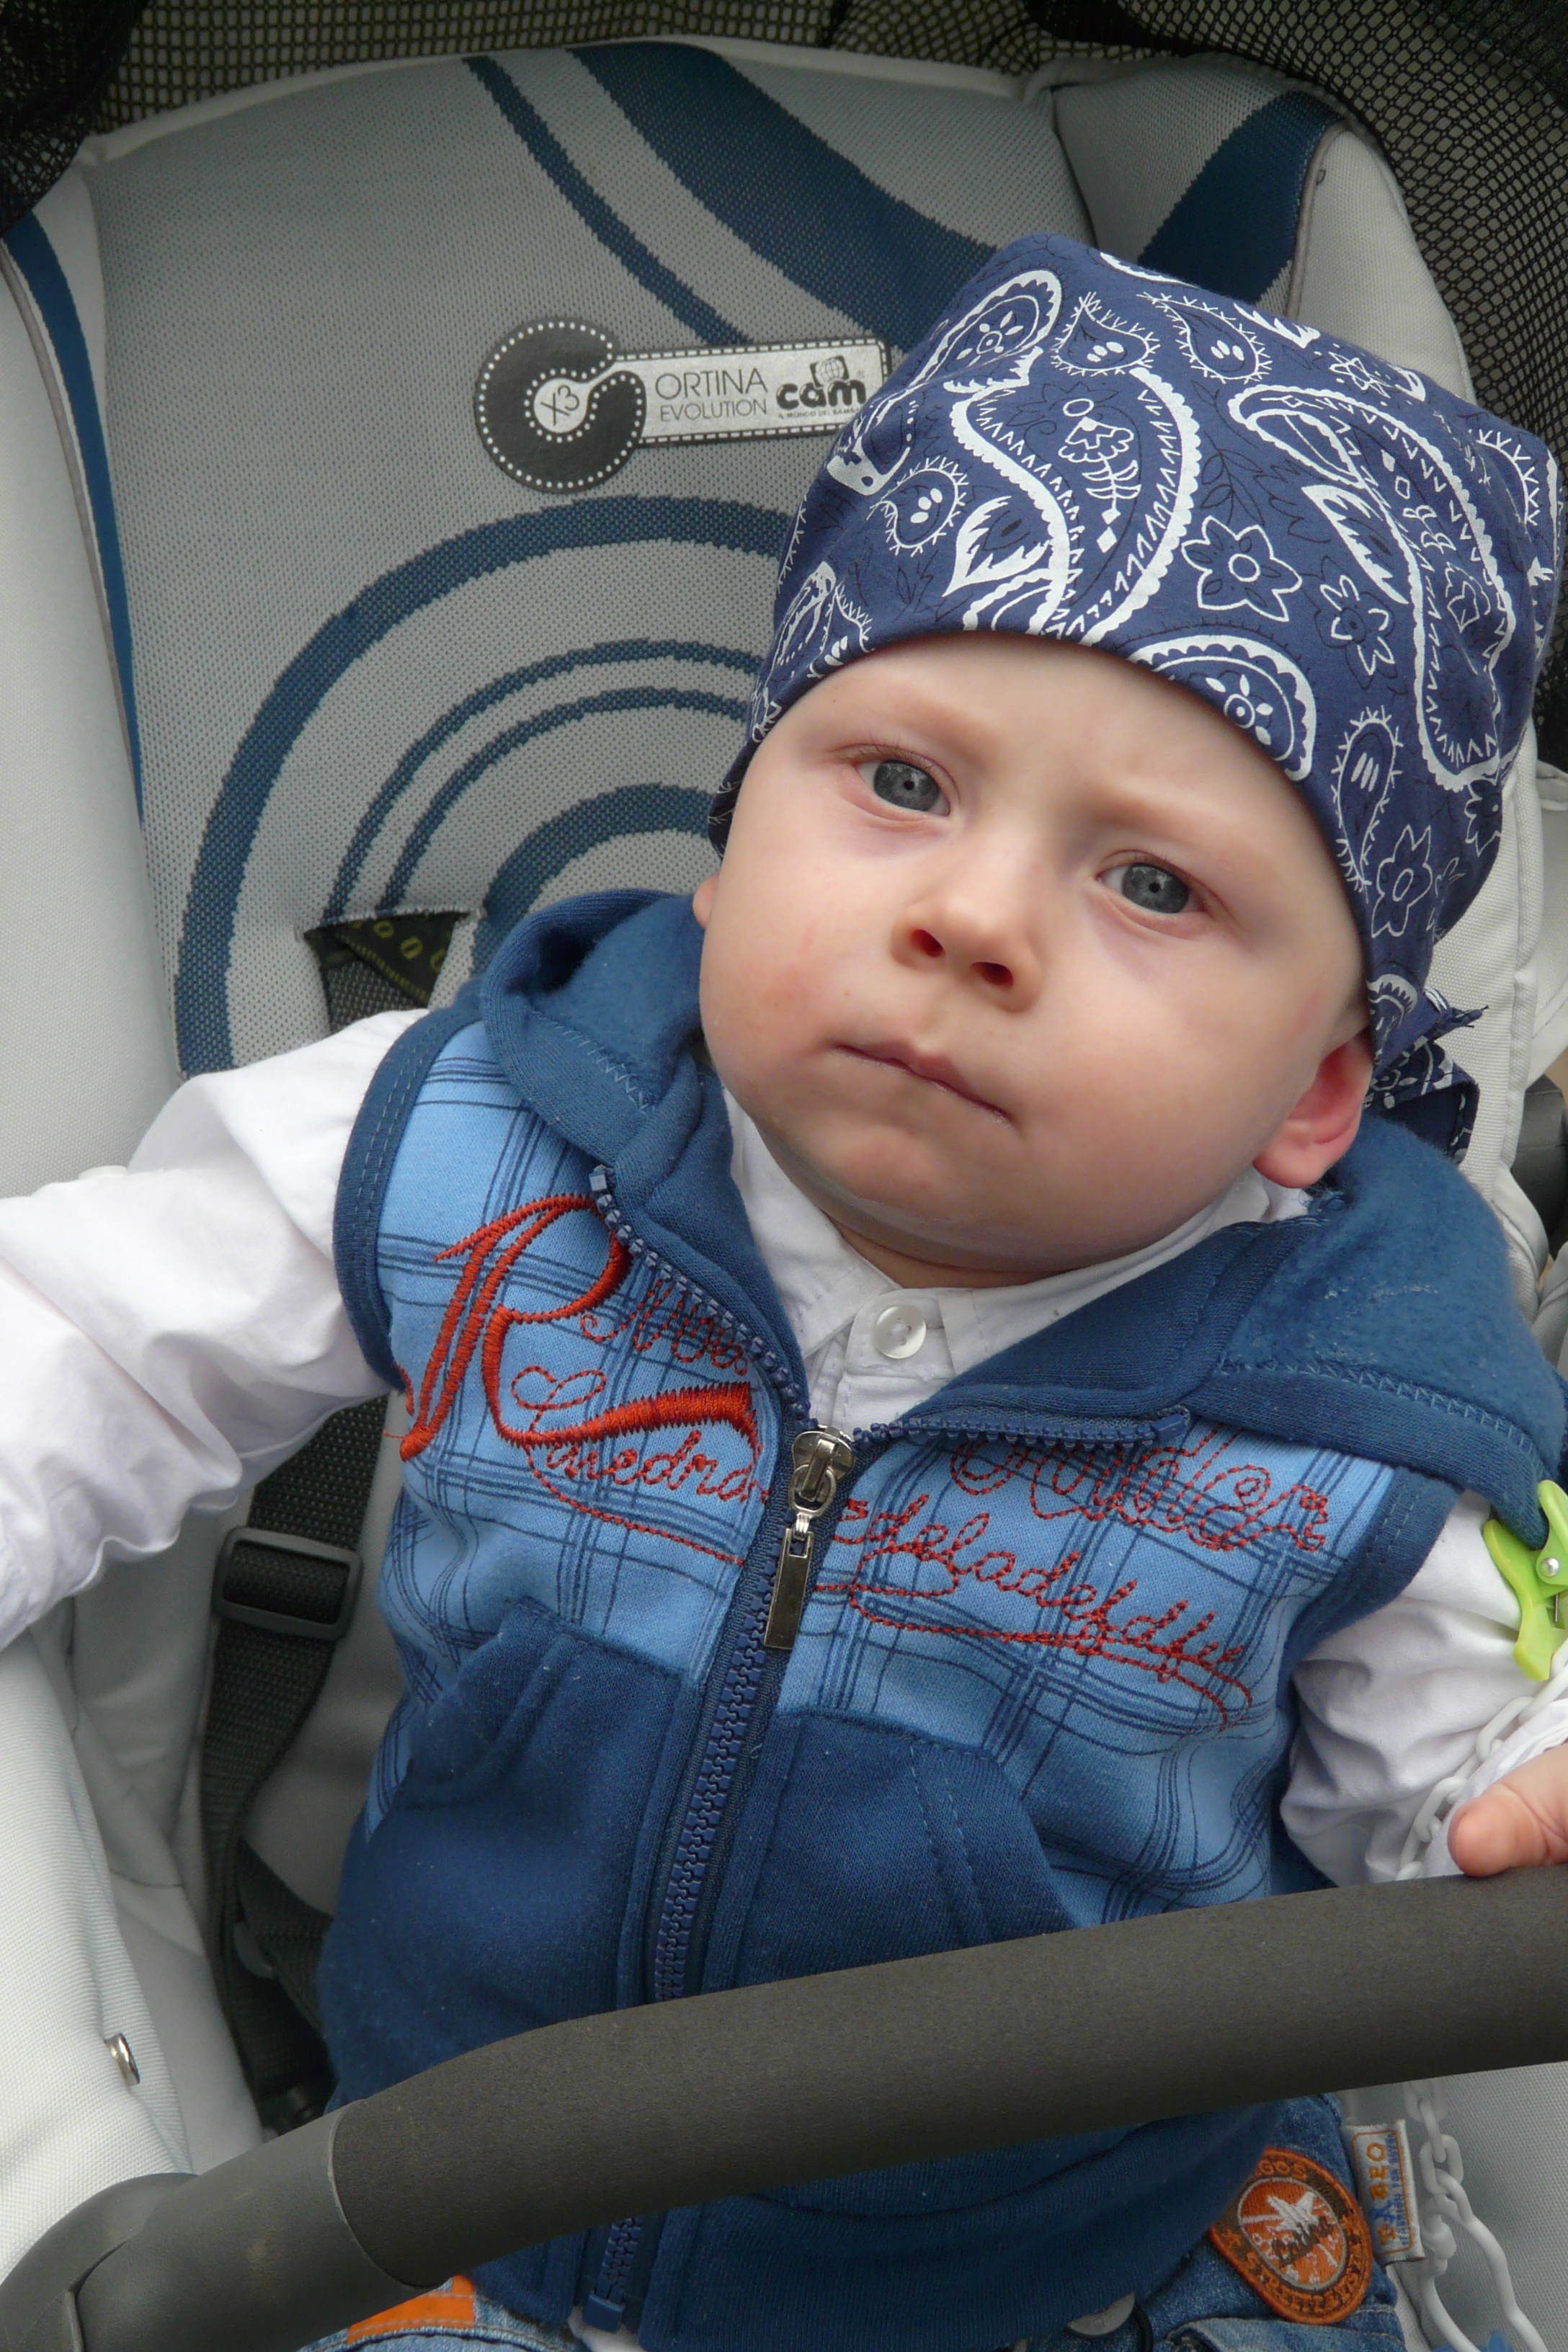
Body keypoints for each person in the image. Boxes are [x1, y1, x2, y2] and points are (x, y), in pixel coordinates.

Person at [2, 233, 1567, 2352]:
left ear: (1316, 1090)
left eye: (1155, 883)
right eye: (903, 784)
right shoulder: (485, 1133)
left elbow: (1477, 1797)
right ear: (735, 840)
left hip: (1051, 2279)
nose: (975, 917)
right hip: (437, 2199)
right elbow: (90, 1338)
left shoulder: (1367, 1420)